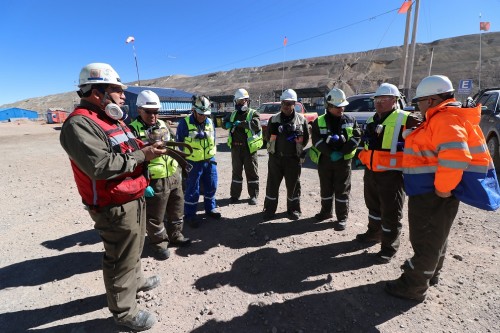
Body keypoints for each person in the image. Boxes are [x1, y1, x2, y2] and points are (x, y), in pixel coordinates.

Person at [60, 63, 163, 331]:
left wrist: (146, 145)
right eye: (116, 91)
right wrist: (143, 155)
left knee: (135, 246)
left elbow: (128, 145)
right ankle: (125, 313)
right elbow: (100, 166)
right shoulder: (78, 125)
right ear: (97, 92)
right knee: (120, 257)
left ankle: (136, 280)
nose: (121, 96)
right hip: (113, 203)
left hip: (132, 194)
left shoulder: (111, 118)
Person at [385, 75, 496, 301]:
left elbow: (455, 154)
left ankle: (413, 286)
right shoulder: (444, 117)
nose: (418, 107)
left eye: (420, 102)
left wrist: (444, 188)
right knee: (436, 236)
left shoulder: (444, 118)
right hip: (433, 190)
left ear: (432, 99)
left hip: (433, 192)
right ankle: (430, 273)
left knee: (426, 239)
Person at [356, 83, 420, 264]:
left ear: (395, 100)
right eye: (377, 99)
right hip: (371, 172)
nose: (379, 102)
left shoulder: (406, 119)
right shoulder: (371, 120)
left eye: (384, 99)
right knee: (373, 208)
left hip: (392, 175)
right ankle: (374, 234)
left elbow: (422, 140)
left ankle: (389, 247)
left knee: (391, 212)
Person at [129, 90, 191, 261]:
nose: (153, 116)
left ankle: (176, 235)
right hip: (154, 181)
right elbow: (132, 160)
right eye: (148, 112)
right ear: (139, 110)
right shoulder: (131, 131)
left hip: (173, 175)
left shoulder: (163, 125)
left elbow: (172, 149)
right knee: (155, 216)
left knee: (177, 210)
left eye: (156, 112)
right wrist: (142, 183)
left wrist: (181, 169)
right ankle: (159, 244)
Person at [310, 88, 361, 231]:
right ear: (329, 106)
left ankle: (342, 218)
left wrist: (342, 152)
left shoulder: (350, 120)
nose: (341, 109)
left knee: (342, 190)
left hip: (343, 161)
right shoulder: (319, 121)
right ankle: (326, 212)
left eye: (342, 106)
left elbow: (356, 138)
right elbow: (316, 140)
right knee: (326, 188)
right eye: (338, 107)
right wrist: (329, 153)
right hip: (325, 160)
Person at [263, 89, 309, 220]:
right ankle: (269, 210)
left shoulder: (301, 120)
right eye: (283, 103)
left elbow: (305, 139)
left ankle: (293, 210)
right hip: (276, 158)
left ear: (294, 104)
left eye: (289, 103)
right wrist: (279, 133)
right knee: (272, 185)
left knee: (294, 186)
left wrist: (294, 137)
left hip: (293, 159)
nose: (286, 106)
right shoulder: (274, 119)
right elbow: (267, 137)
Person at [176, 95, 221, 227]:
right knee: (192, 189)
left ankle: (210, 208)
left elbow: (213, 139)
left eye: (205, 114)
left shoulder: (210, 122)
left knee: (211, 185)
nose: (203, 117)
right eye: (201, 114)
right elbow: (180, 144)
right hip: (193, 162)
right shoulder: (184, 123)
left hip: (209, 160)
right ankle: (190, 215)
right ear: (194, 110)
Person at [224, 88, 263, 205]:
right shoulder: (233, 114)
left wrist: (240, 124)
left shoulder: (253, 113)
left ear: (247, 101)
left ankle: (253, 196)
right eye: (238, 101)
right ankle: (235, 196)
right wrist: (226, 124)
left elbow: (256, 125)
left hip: (249, 149)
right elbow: (224, 123)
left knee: (251, 173)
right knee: (236, 173)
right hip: (236, 148)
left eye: (242, 101)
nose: (240, 103)